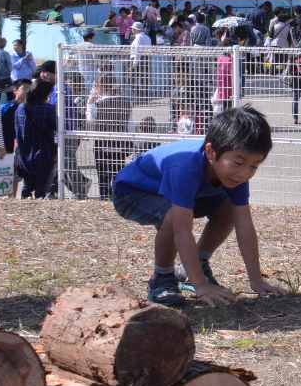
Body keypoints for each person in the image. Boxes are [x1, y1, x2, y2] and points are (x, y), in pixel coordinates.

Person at [112, 106, 286, 307]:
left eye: (254, 166)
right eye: (239, 163)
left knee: (230, 206)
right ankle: (162, 278)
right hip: (131, 193)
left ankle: (195, 266)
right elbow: (182, 230)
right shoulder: (184, 167)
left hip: (183, 193)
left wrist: (256, 280)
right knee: (173, 216)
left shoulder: (236, 175)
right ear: (211, 152)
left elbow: (244, 224)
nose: (245, 173)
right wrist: (201, 286)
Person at [15, 79, 57, 198]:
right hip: (43, 154)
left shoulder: (20, 108)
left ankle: (23, 208)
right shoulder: (49, 109)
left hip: (24, 154)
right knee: (41, 190)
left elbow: (17, 132)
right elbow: (55, 128)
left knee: (27, 187)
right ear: (46, 94)